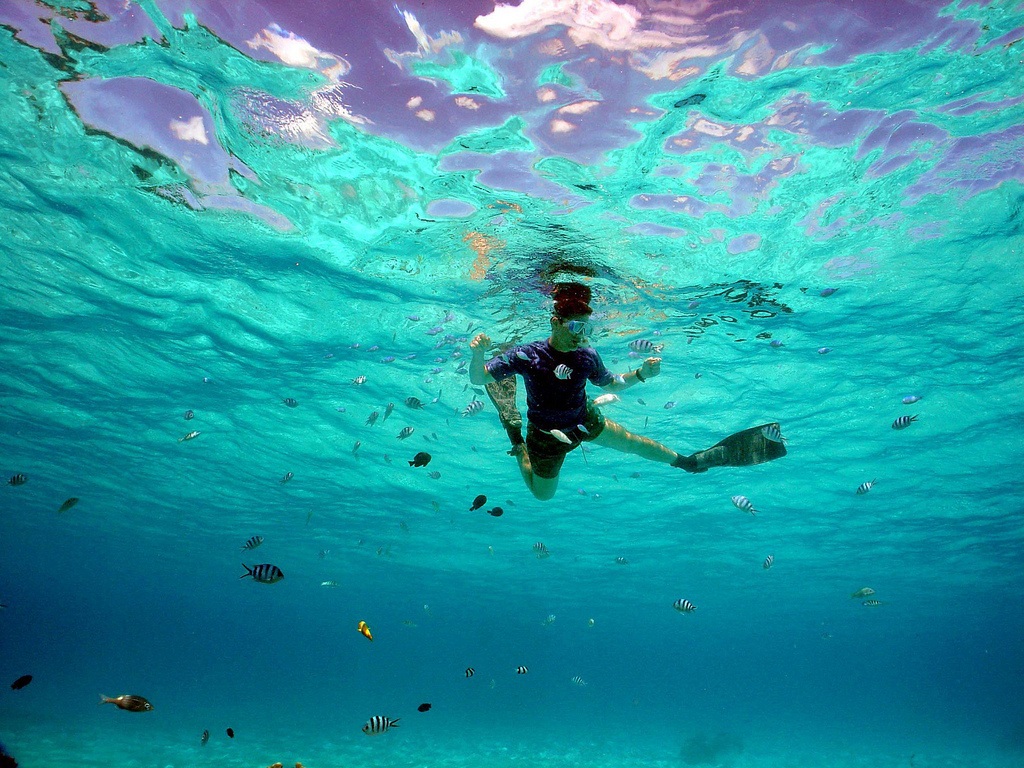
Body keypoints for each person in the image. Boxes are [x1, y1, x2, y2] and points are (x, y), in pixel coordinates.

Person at [469, 283, 785, 501]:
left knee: (633, 443)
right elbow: (480, 379)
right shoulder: (529, 355)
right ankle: (517, 442)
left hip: (584, 419)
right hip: (544, 435)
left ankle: (687, 462)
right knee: (542, 496)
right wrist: (478, 355)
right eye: (576, 328)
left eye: (587, 329)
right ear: (556, 322)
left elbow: (611, 384)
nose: (582, 337)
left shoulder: (586, 356)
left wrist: (641, 374)